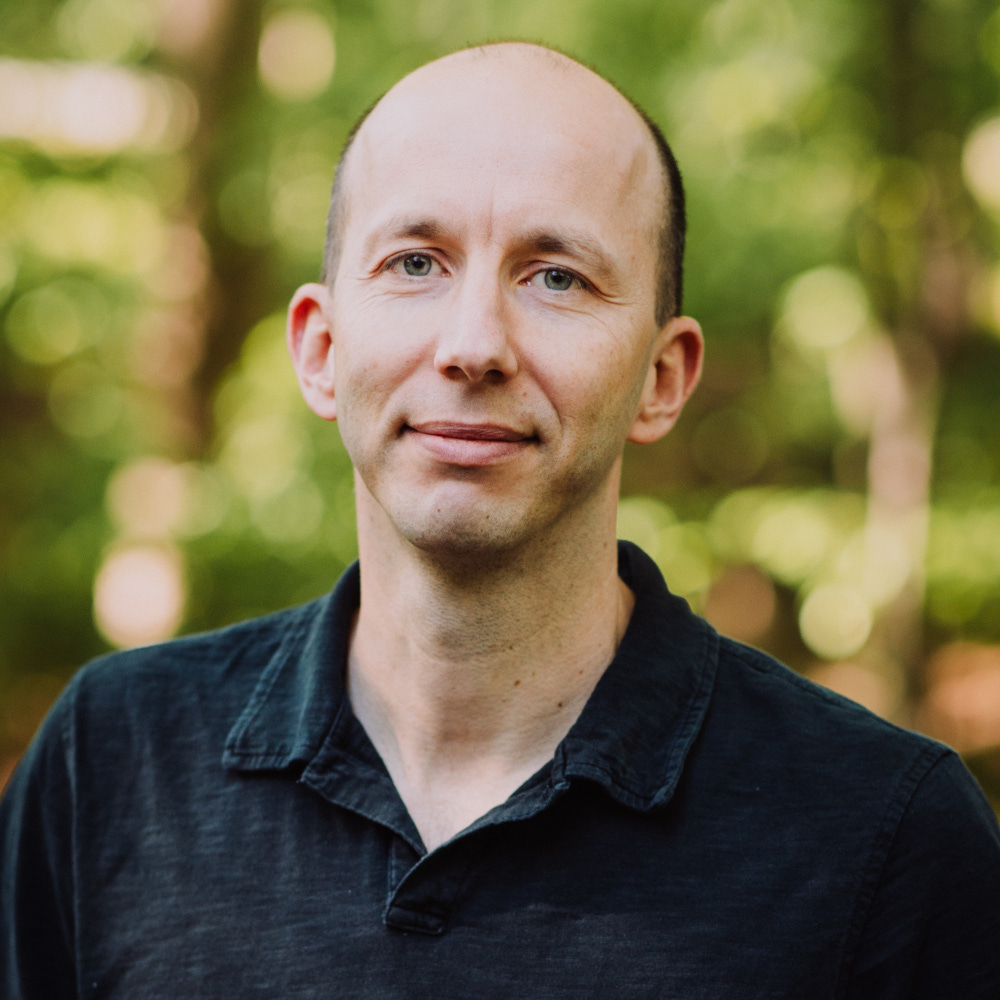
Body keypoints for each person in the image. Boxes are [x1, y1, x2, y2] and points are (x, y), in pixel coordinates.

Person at [2, 42, 999, 999]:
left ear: (661, 378)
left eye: (555, 275)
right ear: (319, 347)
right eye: (414, 263)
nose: (474, 344)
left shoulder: (887, 837)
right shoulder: (111, 762)